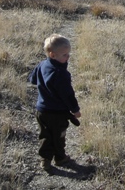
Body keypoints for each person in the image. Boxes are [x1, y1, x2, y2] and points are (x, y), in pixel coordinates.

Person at [29, 34, 81, 172]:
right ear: (52, 55)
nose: (68, 57)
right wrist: (75, 110)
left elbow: (33, 79)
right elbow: (68, 95)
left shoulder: (41, 65)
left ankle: (45, 159)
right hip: (57, 113)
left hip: (41, 110)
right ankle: (60, 158)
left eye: (68, 54)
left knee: (45, 135)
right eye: (64, 55)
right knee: (59, 136)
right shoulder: (61, 74)